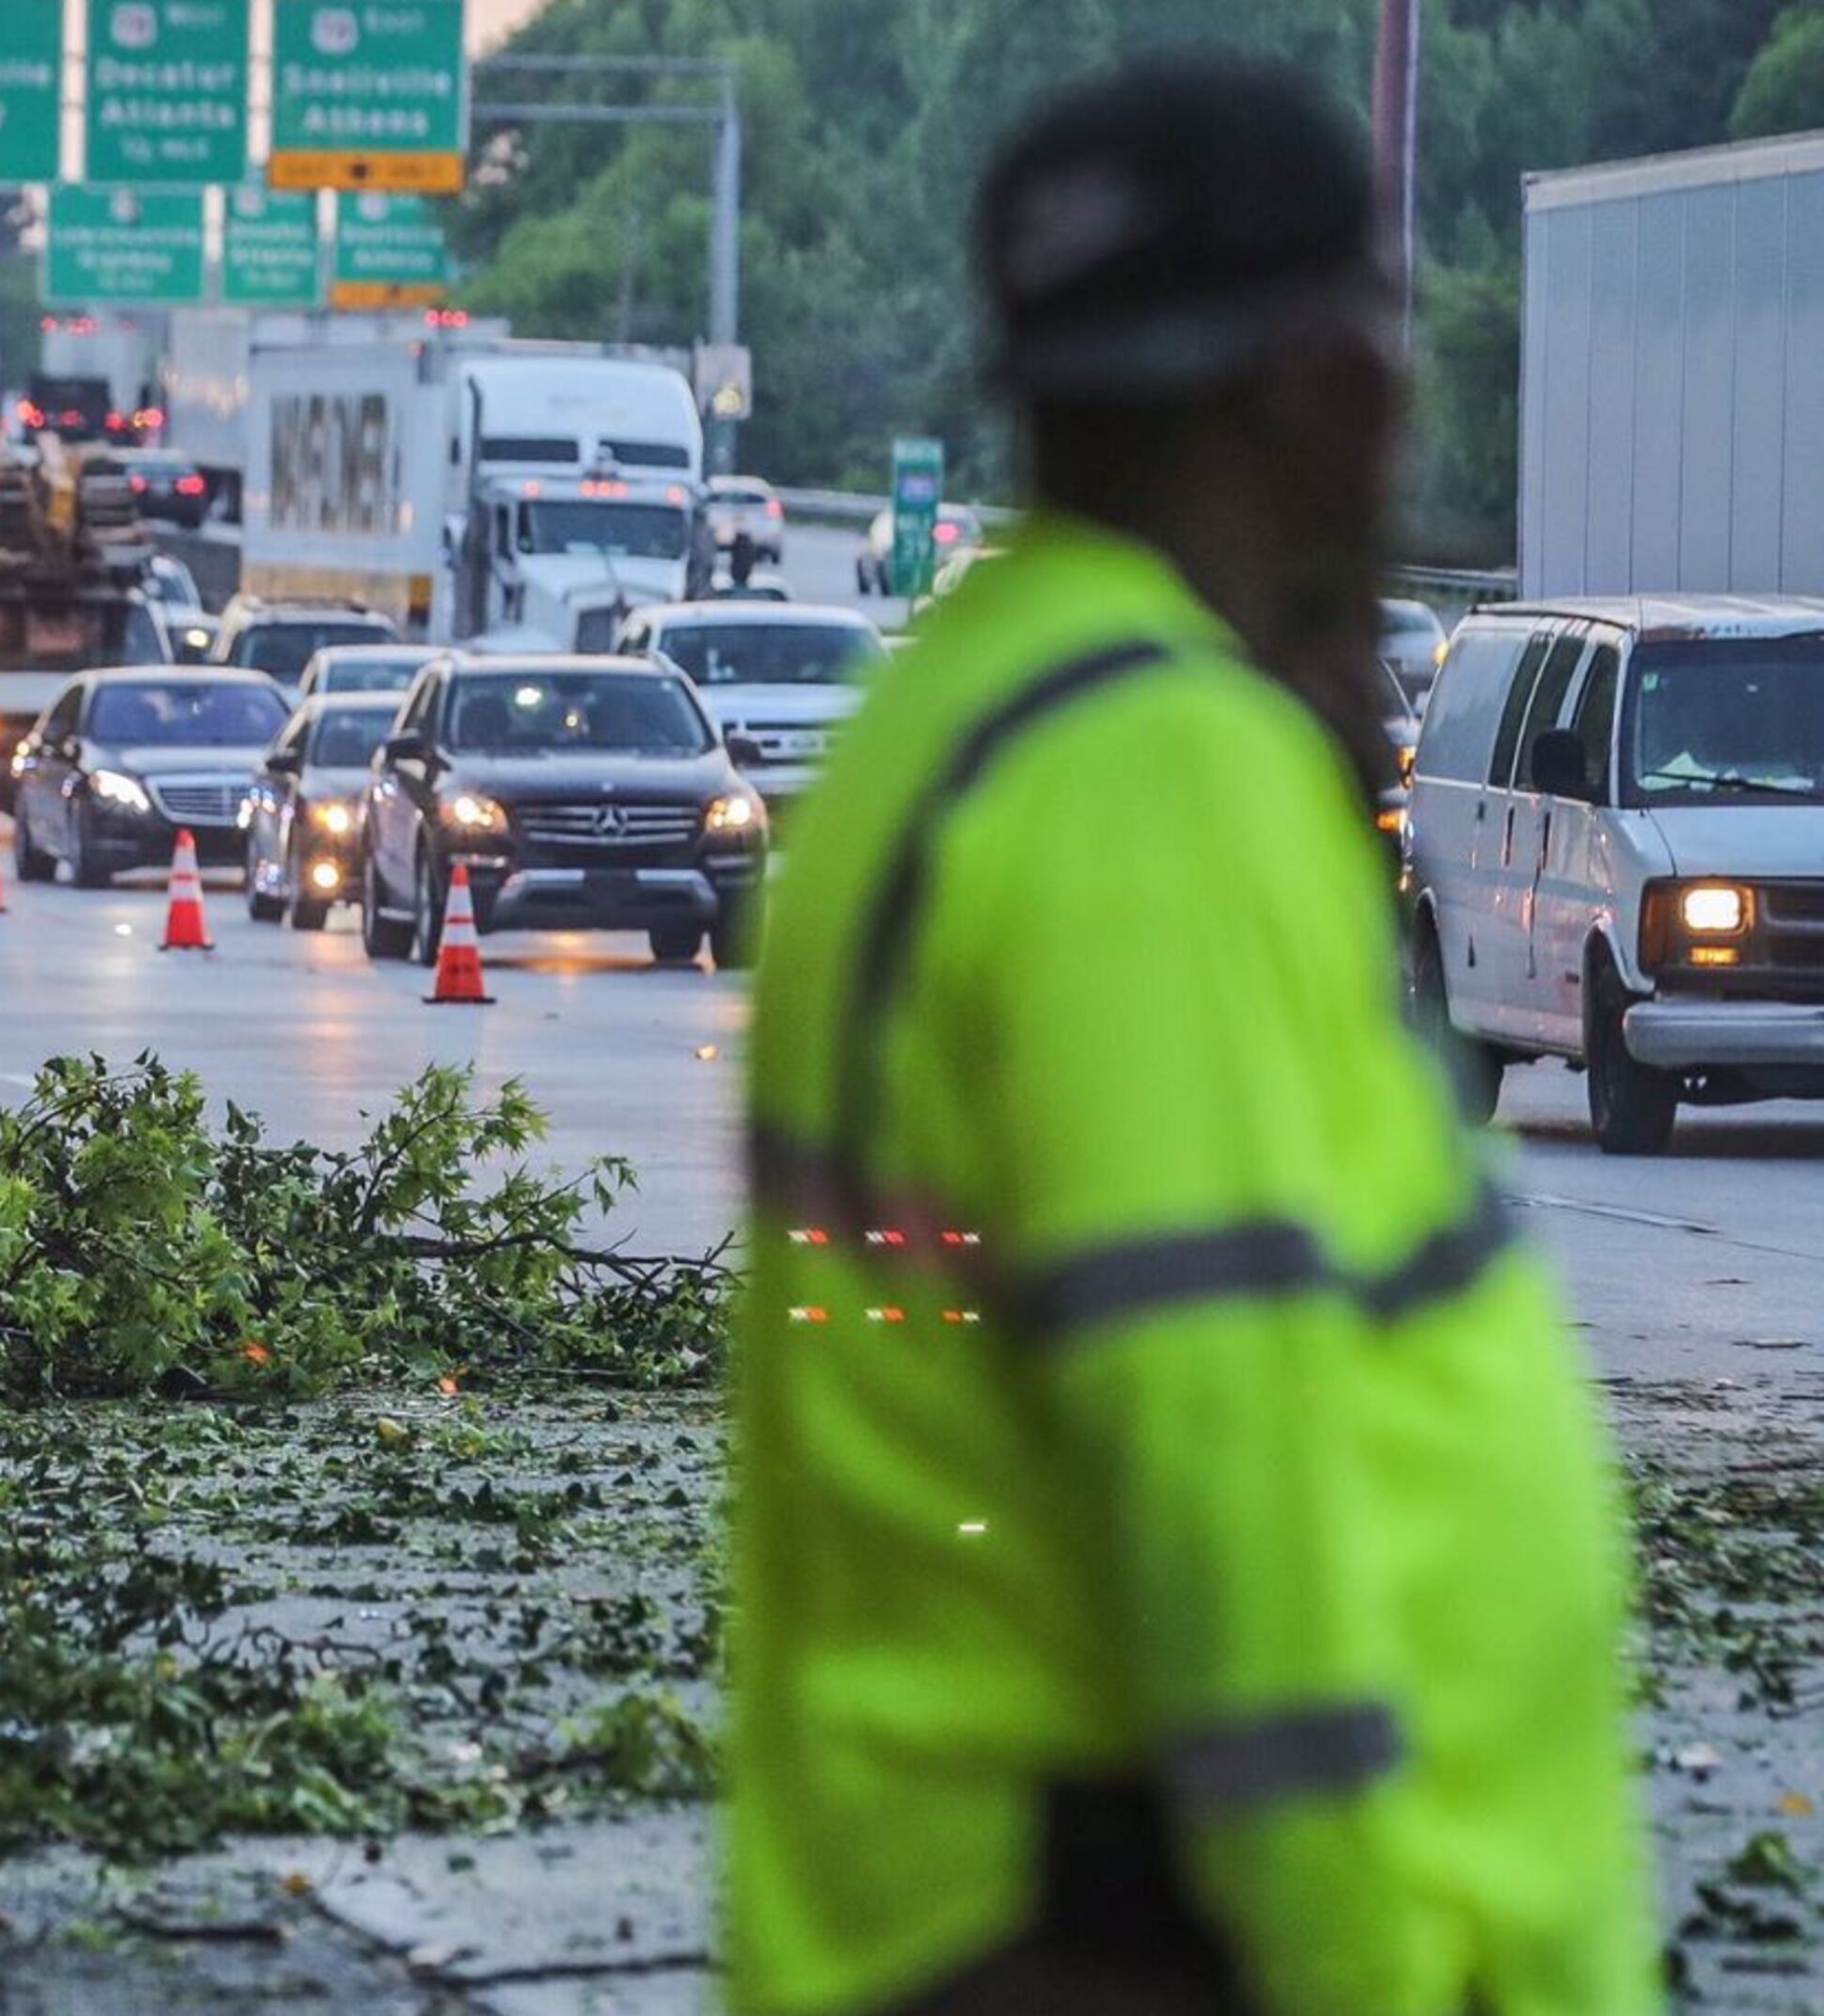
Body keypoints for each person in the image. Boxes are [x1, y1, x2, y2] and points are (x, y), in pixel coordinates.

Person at [728, 58, 1654, 2016]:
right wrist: (1372, 1961)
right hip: (1150, 1934)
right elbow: (1222, 1444)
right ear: (1317, 377)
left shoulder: (953, 724)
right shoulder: (1155, 772)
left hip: (975, 1901)